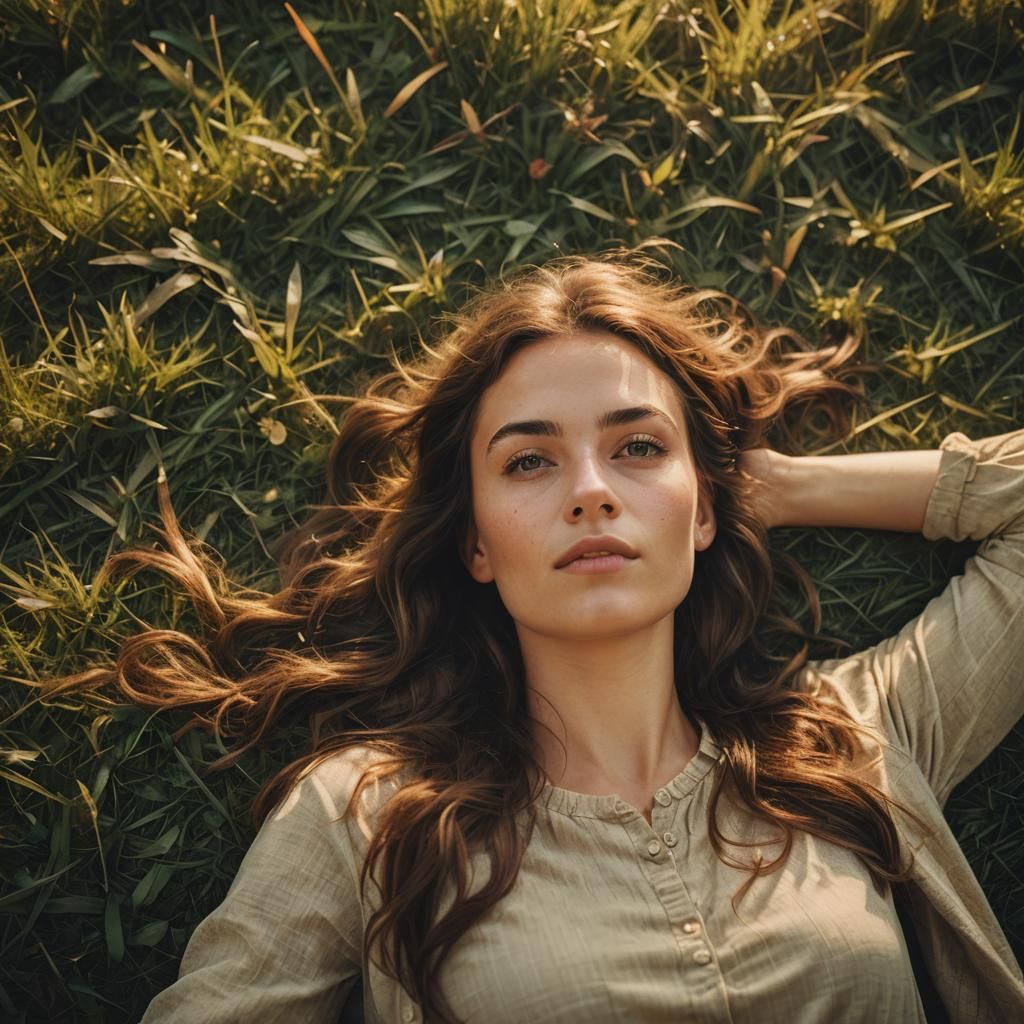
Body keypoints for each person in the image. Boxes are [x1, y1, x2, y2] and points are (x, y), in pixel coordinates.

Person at [52, 254, 1022, 1023]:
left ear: (703, 510)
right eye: (529, 460)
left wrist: (777, 487)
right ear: (475, 542)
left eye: (639, 446)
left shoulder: (851, 733)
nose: (591, 488)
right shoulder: (367, 813)